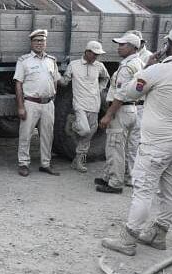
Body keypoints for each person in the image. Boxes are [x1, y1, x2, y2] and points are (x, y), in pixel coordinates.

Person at [101, 24, 172, 256]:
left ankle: (128, 239)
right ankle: (159, 234)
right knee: (170, 189)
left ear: (167, 46)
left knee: (143, 190)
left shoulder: (156, 71)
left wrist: (146, 67)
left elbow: (126, 92)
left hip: (157, 142)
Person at [95, 33, 143, 194]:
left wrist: (108, 114)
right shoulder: (138, 62)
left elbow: (121, 94)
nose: (119, 47)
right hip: (131, 109)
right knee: (114, 145)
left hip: (121, 110)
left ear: (132, 47)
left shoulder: (127, 67)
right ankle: (108, 176)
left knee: (116, 147)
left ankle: (115, 183)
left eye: (123, 45)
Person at [14, 29, 61, 177]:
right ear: (31, 43)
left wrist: (53, 98)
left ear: (45, 43)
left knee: (48, 135)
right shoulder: (24, 61)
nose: (39, 43)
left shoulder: (51, 60)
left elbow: (55, 80)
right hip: (31, 103)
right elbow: (18, 84)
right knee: (25, 134)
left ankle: (45, 164)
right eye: (36, 41)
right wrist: (21, 106)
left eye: (42, 41)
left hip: (48, 103)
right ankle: (23, 163)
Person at [58, 41, 110, 172]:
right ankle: (72, 123)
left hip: (94, 105)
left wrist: (100, 89)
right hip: (79, 104)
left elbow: (106, 78)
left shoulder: (99, 66)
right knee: (85, 130)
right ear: (87, 52)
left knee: (89, 135)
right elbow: (64, 82)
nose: (96, 56)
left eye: (98, 54)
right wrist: (54, 74)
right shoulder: (74, 65)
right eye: (94, 53)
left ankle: (78, 160)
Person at [125, 30, 153, 185]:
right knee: (126, 141)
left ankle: (132, 175)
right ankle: (126, 170)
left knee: (135, 142)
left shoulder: (148, 57)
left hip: (140, 105)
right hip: (129, 105)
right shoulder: (130, 58)